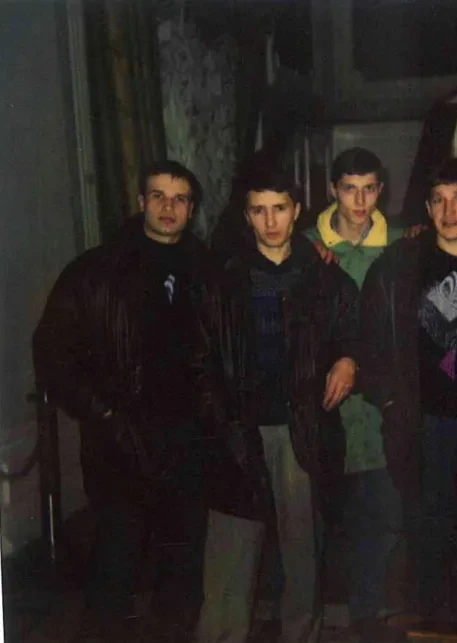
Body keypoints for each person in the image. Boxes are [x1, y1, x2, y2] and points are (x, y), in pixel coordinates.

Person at [33, 161, 211, 642]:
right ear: (140, 202)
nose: (168, 207)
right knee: (116, 559)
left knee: (181, 566)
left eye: (179, 199)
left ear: (192, 208)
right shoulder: (95, 271)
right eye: (158, 196)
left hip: (189, 441)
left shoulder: (208, 269)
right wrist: (103, 414)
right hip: (120, 441)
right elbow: (51, 351)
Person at [195, 159, 360, 643]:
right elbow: (198, 360)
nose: (270, 221)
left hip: (301, 430)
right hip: (237, 431)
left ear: (297, 210)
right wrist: (220, 422)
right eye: (259, 211)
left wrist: (349, 359)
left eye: (279, 209)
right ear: (246, 216)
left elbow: (356, 331)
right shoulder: (220, 281)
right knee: (228, 557)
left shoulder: (326, 279)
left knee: (303, 554)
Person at [359, 157, 457, 634]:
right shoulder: (399, 265)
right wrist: (391, 402)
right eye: (438, 200)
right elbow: (367, 341)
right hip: (422, 424)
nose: (449, 211)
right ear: (428, 208)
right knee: (428, 543)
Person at [303, 147, 404, 639]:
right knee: (315, 523)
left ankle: (367, 615)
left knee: (381, 517)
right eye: (349, 189)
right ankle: (314, 615)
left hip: (380, 410)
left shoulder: (401, 245)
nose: (360, 201)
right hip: (322, 408)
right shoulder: (304, 245)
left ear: (380, 190)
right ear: (333, 190)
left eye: (369, 189)